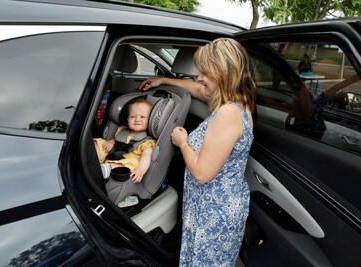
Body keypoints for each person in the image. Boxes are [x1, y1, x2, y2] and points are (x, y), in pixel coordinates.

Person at [138, 38, 255, 267]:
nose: (199, 77)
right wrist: (162, 80)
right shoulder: (235, 100)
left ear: (223, 74)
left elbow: (202, 174)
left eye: (205, 73)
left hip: (214, 211)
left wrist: (182, 142)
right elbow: (197, 89)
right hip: (209, 205)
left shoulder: (228, 114)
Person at [94, 98, 156, 183]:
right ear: (127, 119)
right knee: (100, 142)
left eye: (142, 117)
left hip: (127, 161)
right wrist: (111, 142)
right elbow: (117, 139)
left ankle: (105, 169)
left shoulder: (147, 142)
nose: (137, 119)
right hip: (114, 151)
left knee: (132, 164)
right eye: (132, 116)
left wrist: (140, 170)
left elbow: (146, 157)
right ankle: (92, 156)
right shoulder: (122, 130)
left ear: (150, 120)